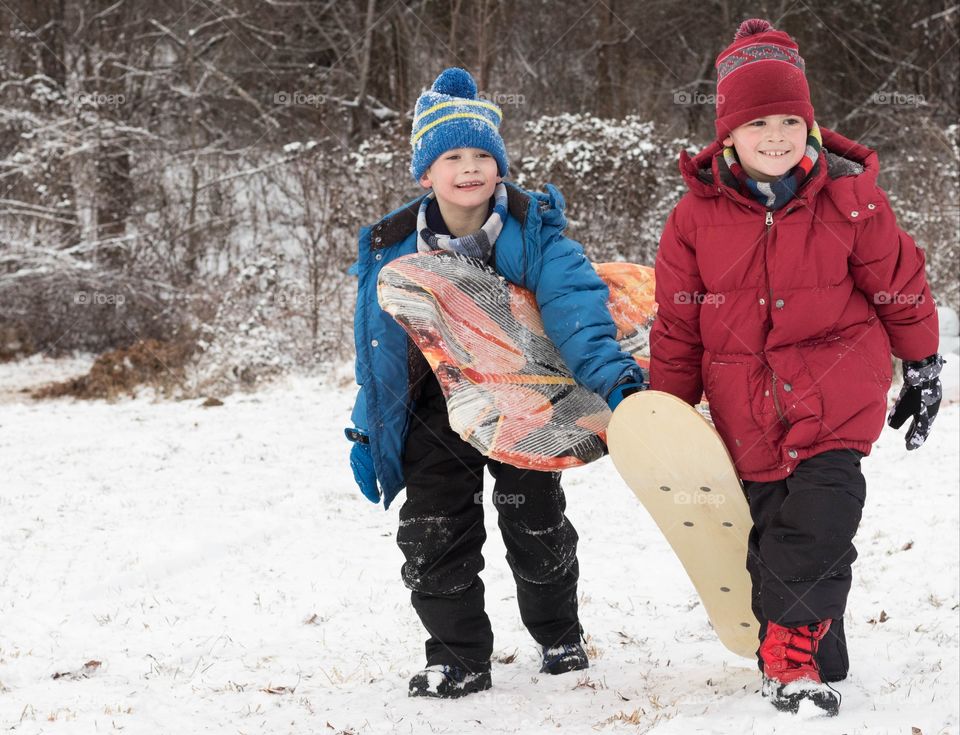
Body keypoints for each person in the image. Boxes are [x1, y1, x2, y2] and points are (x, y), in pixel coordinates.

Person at [650, 19, 943, 716]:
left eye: (790, 118)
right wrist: (665, 412)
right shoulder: (693, 220)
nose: (776, 136)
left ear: (810, 122)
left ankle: (790, 658)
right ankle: (809, 643)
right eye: (759, 123)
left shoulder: (852, 199)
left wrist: (924, 361)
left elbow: (899, 283)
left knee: (822, 515)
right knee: (774, 537)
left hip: (835, 402)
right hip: (746, 411)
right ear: (729, 134)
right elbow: (680, 326)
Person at [345, 67, 645, 699]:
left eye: (483, 154)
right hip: (433, 402)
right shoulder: (393, 248)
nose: (470, 167)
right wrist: (369, 425)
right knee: (434, 528)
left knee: (533, 520)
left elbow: (578, 314)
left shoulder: (535, 237)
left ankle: (558, 634)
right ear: (425, 173)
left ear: (501, 166)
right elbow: (381, 347)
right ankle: (457, 658)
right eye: (452, 155)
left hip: (526, 399)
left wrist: (619, 386)